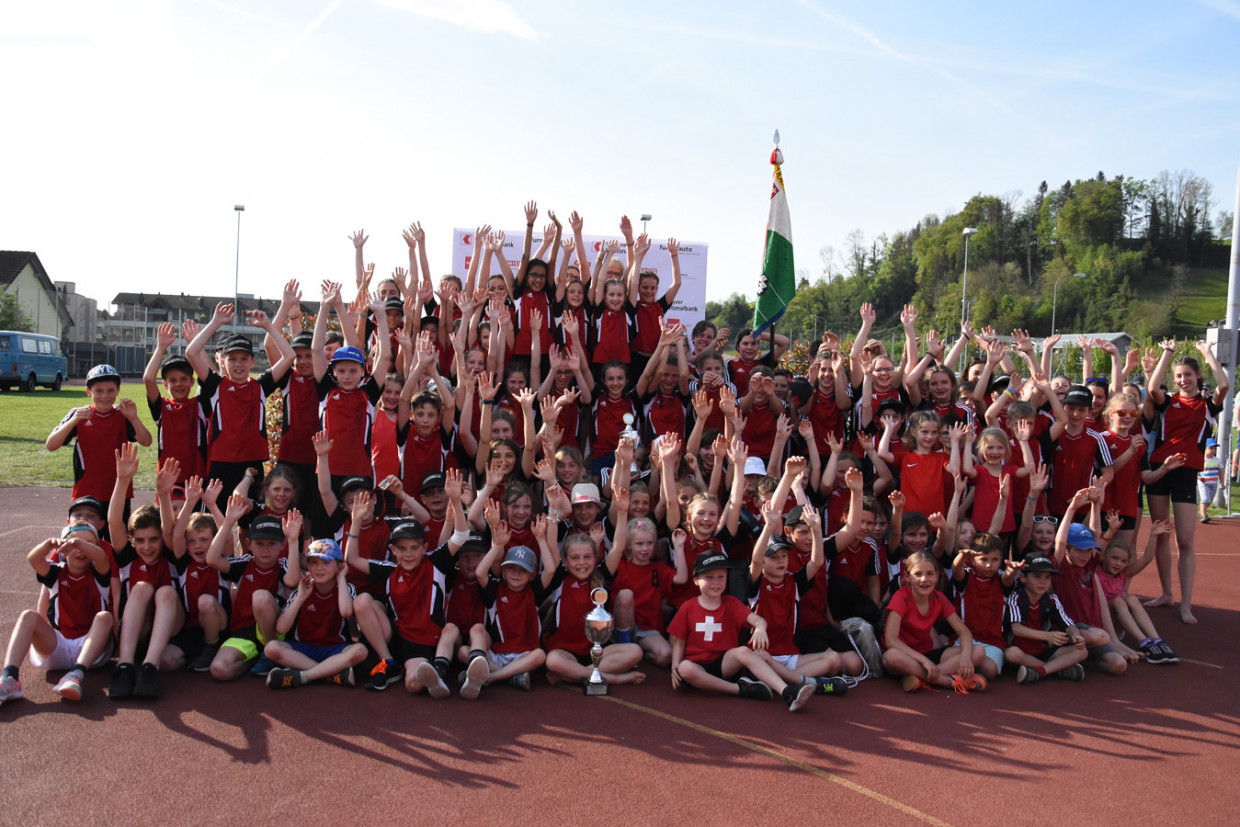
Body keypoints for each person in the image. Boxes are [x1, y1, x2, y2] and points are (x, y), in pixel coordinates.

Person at [346, 472, 471, 696]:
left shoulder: (436, 563)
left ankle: (435, 670)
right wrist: (355, 521)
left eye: (414, 548)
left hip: (431, 640)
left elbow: (461, 535)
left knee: (415, 681)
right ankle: (388, 662)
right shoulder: (390, 570)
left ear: (424, 548)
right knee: (363, 601)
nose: (408, 554)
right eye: (402, 548)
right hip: (403, 642)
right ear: (392, 550)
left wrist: (454, 500)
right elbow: (352, 560)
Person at [668, 551, 816, 711]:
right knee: (685, 668)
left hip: (724, 663)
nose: (716, 582)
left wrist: (760, 628)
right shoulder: (688, 607)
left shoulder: (730, 603)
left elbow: (757, 620)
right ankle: (740, 689)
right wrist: (674, 665)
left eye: (721, 576)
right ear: (696, 580)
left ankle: (787, 692)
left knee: (744, 651)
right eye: (709, 577)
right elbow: (679, 642)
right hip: (697, 666)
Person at [184, 302, 295, 507]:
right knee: (215, 522)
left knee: (250, 524)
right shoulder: (216, 386)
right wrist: (215, 322)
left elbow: (289, 356)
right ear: (222, 361)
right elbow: (191, 353)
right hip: (221, 465)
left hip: (252, 464)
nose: (238, 364)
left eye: (244, 359)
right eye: (232, 359)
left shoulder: (260, 386)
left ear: (252, 362)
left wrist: (269, 327)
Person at [0, 525, 114, 704]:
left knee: (105, 617)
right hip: (58, 645)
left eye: (88, 543)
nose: (80, 549)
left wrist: (77, 542)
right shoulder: (56, 572)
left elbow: (101, 556)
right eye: (74, 544)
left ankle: (76, 675)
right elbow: (34, 560)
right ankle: (10, 678)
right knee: (28, 616)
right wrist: (48, 545)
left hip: (91, 649)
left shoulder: (99, 572)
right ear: (63, 549)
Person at [204, 497, 302, 680]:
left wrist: (294, 539)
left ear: (282, 545)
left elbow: (291, 580)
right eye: (260, 544)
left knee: (261, 597)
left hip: (275, 631)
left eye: (272, 544)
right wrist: (228, 522)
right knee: (219, 670)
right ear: (249, 544)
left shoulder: (283, 565)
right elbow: (212, 560)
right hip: (245, 632)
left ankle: (271, 652)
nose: (266, 550)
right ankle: (255, 658)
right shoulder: (244, 564)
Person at [46, 363, 152, 518]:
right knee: (87, 537)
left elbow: (146, 441)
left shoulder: (122, 414)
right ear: (89, 391)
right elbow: (51, 445)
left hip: (118, 488)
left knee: (117, 537)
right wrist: (73, 421)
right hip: (86, 490)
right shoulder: (78, 414)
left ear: (118, 391)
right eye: (99, 391)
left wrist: (133, 417)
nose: (105, 396)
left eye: (110, 390)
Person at [264, 539, 368, 689]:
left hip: (335, 649)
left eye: (326, 563)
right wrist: (300, 598)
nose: (319, 568)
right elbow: (281, 628)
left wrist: (341, 577)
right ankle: (330, 674)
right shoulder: (303, 588)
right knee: (271, 648)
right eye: (313, 563)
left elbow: (346, 612)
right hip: (304, 649)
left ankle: (303, 676)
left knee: (360, 651)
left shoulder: (346, 587)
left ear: (340, 566)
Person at [881, 550, 987, 693]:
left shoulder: (939, 598)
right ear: (907, 577)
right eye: (918, 574)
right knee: (891, 656)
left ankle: (923, 677)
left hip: (929, 654)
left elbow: (965, 633)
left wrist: (965, 658)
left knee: (979, 651)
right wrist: (924, 661)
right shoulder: (901, 597)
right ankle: (948, 681)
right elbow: (891, 641)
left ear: (937, 576)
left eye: (930, 574)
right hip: (906, 656)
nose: (924, 579)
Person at [1097, 521, 1179, 664]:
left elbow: (1147, 559)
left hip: (1118, 624)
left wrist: (1153, 535)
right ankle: (1144, 643)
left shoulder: (1124, 573)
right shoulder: (1096, 571)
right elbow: (1098, 551)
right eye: (1114, 558)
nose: (1118, 564)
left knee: (1131, 598)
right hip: (1103, 624)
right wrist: (1110, 531)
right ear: (1104, 556)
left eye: (1123, 561)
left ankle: (1156, 640)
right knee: (1118, 601)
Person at [1004, 554, 1088, 685]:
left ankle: (1039, 672)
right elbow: (1017, 629)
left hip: (1046, 649)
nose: (1043, 582)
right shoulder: (1016, 597)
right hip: (1022, 651)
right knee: (1011, 654)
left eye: (1047, 577)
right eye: (1037, 577)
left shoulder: (1052, 599)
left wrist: (1076, 635)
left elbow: (1067, 623)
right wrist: (1047, 636)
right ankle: (1057, 670)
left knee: (1082, 651)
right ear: (1023, 577)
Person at [950, 533, 1023, 680]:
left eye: (994, 560)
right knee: (950, 657)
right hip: (966, 638)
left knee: (989, 671)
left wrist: (1013, 570)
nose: (989, 565)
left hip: (993, 641)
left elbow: (1008, 578)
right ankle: (954, 676)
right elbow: (956, 570)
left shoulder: (1002, 578)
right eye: (984, 559)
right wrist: (961, 557)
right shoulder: (968, 576)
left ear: (1001, 560)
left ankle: (962, 676)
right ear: (973, 560)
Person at [143, 322, 205, 486]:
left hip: (197, 480)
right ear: (165, 385)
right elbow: (148, 379)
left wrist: (195, 345)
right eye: (172, 380)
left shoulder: (200, 405)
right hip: (168, 481)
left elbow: (210, 376)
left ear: (192, 381)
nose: (179, 384)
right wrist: (160, 347)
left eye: (184, 379)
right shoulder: (162, 407)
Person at [1198, 437, 1221, 523]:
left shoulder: (1217, 460)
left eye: (1214, 448)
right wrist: (1199, 477)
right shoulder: (1201, 459)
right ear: (1205, 448)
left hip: (1213, 483)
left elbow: (1221, 472)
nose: (1213, 450)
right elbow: (1196, 471)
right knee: (1205, 498)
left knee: (1209, 500)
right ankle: (1203, 516)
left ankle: (1202, 512)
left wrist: (1222, 483)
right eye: (1211, 448)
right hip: (1204, 482)